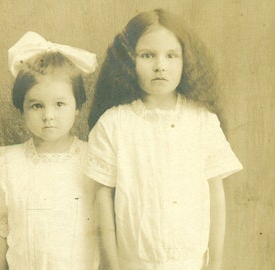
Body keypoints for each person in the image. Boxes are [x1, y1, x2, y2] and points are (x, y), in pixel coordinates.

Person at [85, 9, 243, 270]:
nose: (160, 65)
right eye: (147, 55)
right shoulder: (114, 124)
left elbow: (216, 196)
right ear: (128, 60)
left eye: (171, 55)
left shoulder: (202, 121)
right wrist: (111, 265)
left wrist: (214, 263)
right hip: (131, 262)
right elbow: (103, 197)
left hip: (191, 262)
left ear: (185, 61)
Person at [0, 31, 99, 270]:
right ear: (23, 109)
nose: (48, 116)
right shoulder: (11, 163)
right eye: (37, 105)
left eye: (60, 104)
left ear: (77, 107)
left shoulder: (92, 159)